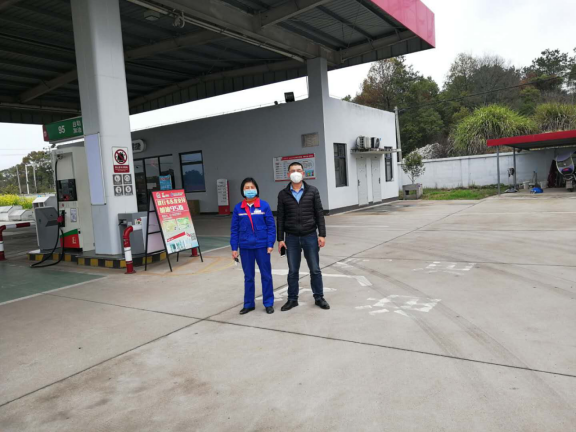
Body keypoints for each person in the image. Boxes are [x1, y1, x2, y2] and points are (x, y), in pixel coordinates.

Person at [277, 162, 330, 311]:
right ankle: (292, 299)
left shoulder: (313, 191)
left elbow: (319, 213)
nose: (296, 173)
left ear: (303, 173)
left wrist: (322, 234)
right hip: (291, 238)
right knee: (293, 271)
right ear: (288, 174)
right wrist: (280, 239)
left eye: (298, 170)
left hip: (310, 236)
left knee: (315, 269)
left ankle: (319, 297)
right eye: (293, 171)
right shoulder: (283, 194)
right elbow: (280, 218)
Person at [230, 177, 276, 315]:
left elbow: (271, 226)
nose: (249, 190)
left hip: (262, 246)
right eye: (246, 188)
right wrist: (234, 248)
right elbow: (234, 230)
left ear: (256, 189)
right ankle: (249, 304)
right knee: (248, 277)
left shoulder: (264, 206)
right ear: (242, 191)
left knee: (266, 275)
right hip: (245, 247)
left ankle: (268, 303)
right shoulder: (238, 208)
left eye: (252, 187)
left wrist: (270, 243)